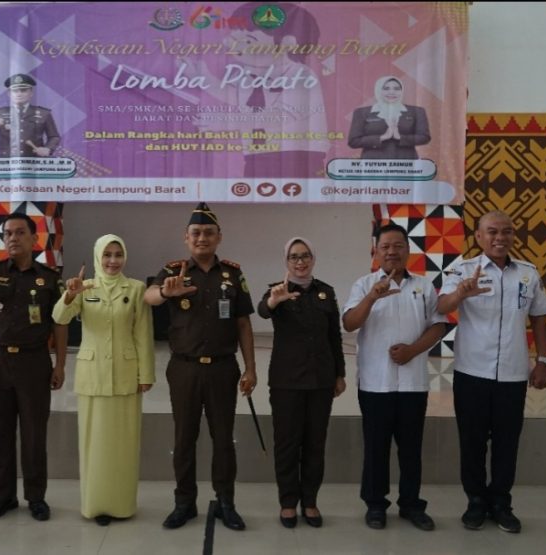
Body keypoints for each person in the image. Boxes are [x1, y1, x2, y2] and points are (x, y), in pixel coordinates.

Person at [144, 202, 257, 531]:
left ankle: (226, 502)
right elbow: (149, 296)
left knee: (223, 440)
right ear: (186, 237)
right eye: (196, 233)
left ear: (219, 237)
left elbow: (244, 324)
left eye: (209, 233)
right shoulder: (174, 270)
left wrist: (250, 368)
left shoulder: (232, 275)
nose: (202, 238)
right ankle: (184, 502)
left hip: (223, 368)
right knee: (184, 439)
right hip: (184, 369)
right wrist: (165, 292)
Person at [437, 210, 546, 534]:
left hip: (513, 375)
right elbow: (441, 306)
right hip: (471, 372)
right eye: (492, 231)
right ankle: (475, 501)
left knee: (506, 442)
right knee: (472, 441)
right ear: (478, 236)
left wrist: (543, 361)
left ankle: (501, 503)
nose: (500, 237)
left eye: (507, 231)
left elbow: (539, 319)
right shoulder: (462, 270)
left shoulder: (528, 273)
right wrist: (461, 293)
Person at [0, 213, 68, 521]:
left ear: (34, 239)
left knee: (34, 433)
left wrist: (60, 364)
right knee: (0, 432)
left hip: (34, 361)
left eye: (20, 232)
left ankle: (36, 497)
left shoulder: (49, 278)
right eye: (7, 233)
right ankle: (3, 497)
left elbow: (60, 323)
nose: (12, 238)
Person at [343, 223, 446, 532]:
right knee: (376, 448)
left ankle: (411, 504)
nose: (392, 252)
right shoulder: (364, 284)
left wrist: (413, 350)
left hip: (413, 383)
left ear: (408, 250)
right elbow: (349, 323)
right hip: (375, 383)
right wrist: (372, 298)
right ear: (375, 251)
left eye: (398, 246)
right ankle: (375, 505)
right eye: (385, 246)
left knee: (411, 449)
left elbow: (438, 326)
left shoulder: (424, 286)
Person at [52, 234, 155, 526]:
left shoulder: (136, 288)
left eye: (118, 254)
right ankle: (95, 504)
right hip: (93, 376)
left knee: (124, 446)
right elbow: (59, 318)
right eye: (107, 254)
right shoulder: (83, 287)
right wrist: (69, 295)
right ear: (98, 256)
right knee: (94, 444)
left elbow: (143, 333)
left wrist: (146, 374)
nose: (112, 260)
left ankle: (121, 505)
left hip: (126, 375)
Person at [258, 237, 345, 529]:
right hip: (286, 382)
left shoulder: (326, 292)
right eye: (294, 257)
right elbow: (263, 309)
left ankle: (310, 501)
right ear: (286, 262)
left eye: (305, 255)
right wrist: (275, 300)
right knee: (287, 444)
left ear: (313, 258)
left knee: (314, 444)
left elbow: (334, 336)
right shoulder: (278, 290)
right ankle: (287, 502)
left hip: (321, 380)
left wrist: (340, 374)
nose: (300, 261)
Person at [185, 2, 329, 177]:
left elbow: (280, 116)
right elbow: (235, 97)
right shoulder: (246, 74)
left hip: (299, 156)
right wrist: (205, 78)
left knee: (296, 191)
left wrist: (226, 123)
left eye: (248, 41)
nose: (231, 45)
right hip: (256, 154)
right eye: (233, 38)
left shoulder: (302, 75)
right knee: (258, 190)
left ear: (287, 44)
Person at [0, 73, 61, 158]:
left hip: (35, 162)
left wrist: (48, 149)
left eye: (23, 90)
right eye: (15, 91)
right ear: (9, 94)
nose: (19, 94)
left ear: (31, 93)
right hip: (7, 163)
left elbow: (54, 136)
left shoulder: (43, 113)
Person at [348, 75, 430, 160]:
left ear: (402, 91)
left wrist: (400, 137)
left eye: (397, 89)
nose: (392, 92)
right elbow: (353, 141)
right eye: (386, 88)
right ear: (378, 90)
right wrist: (382, 137)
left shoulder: (416, 111)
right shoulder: (362, 112)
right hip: (373, 163)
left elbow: (424, 137)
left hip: (406, 162)